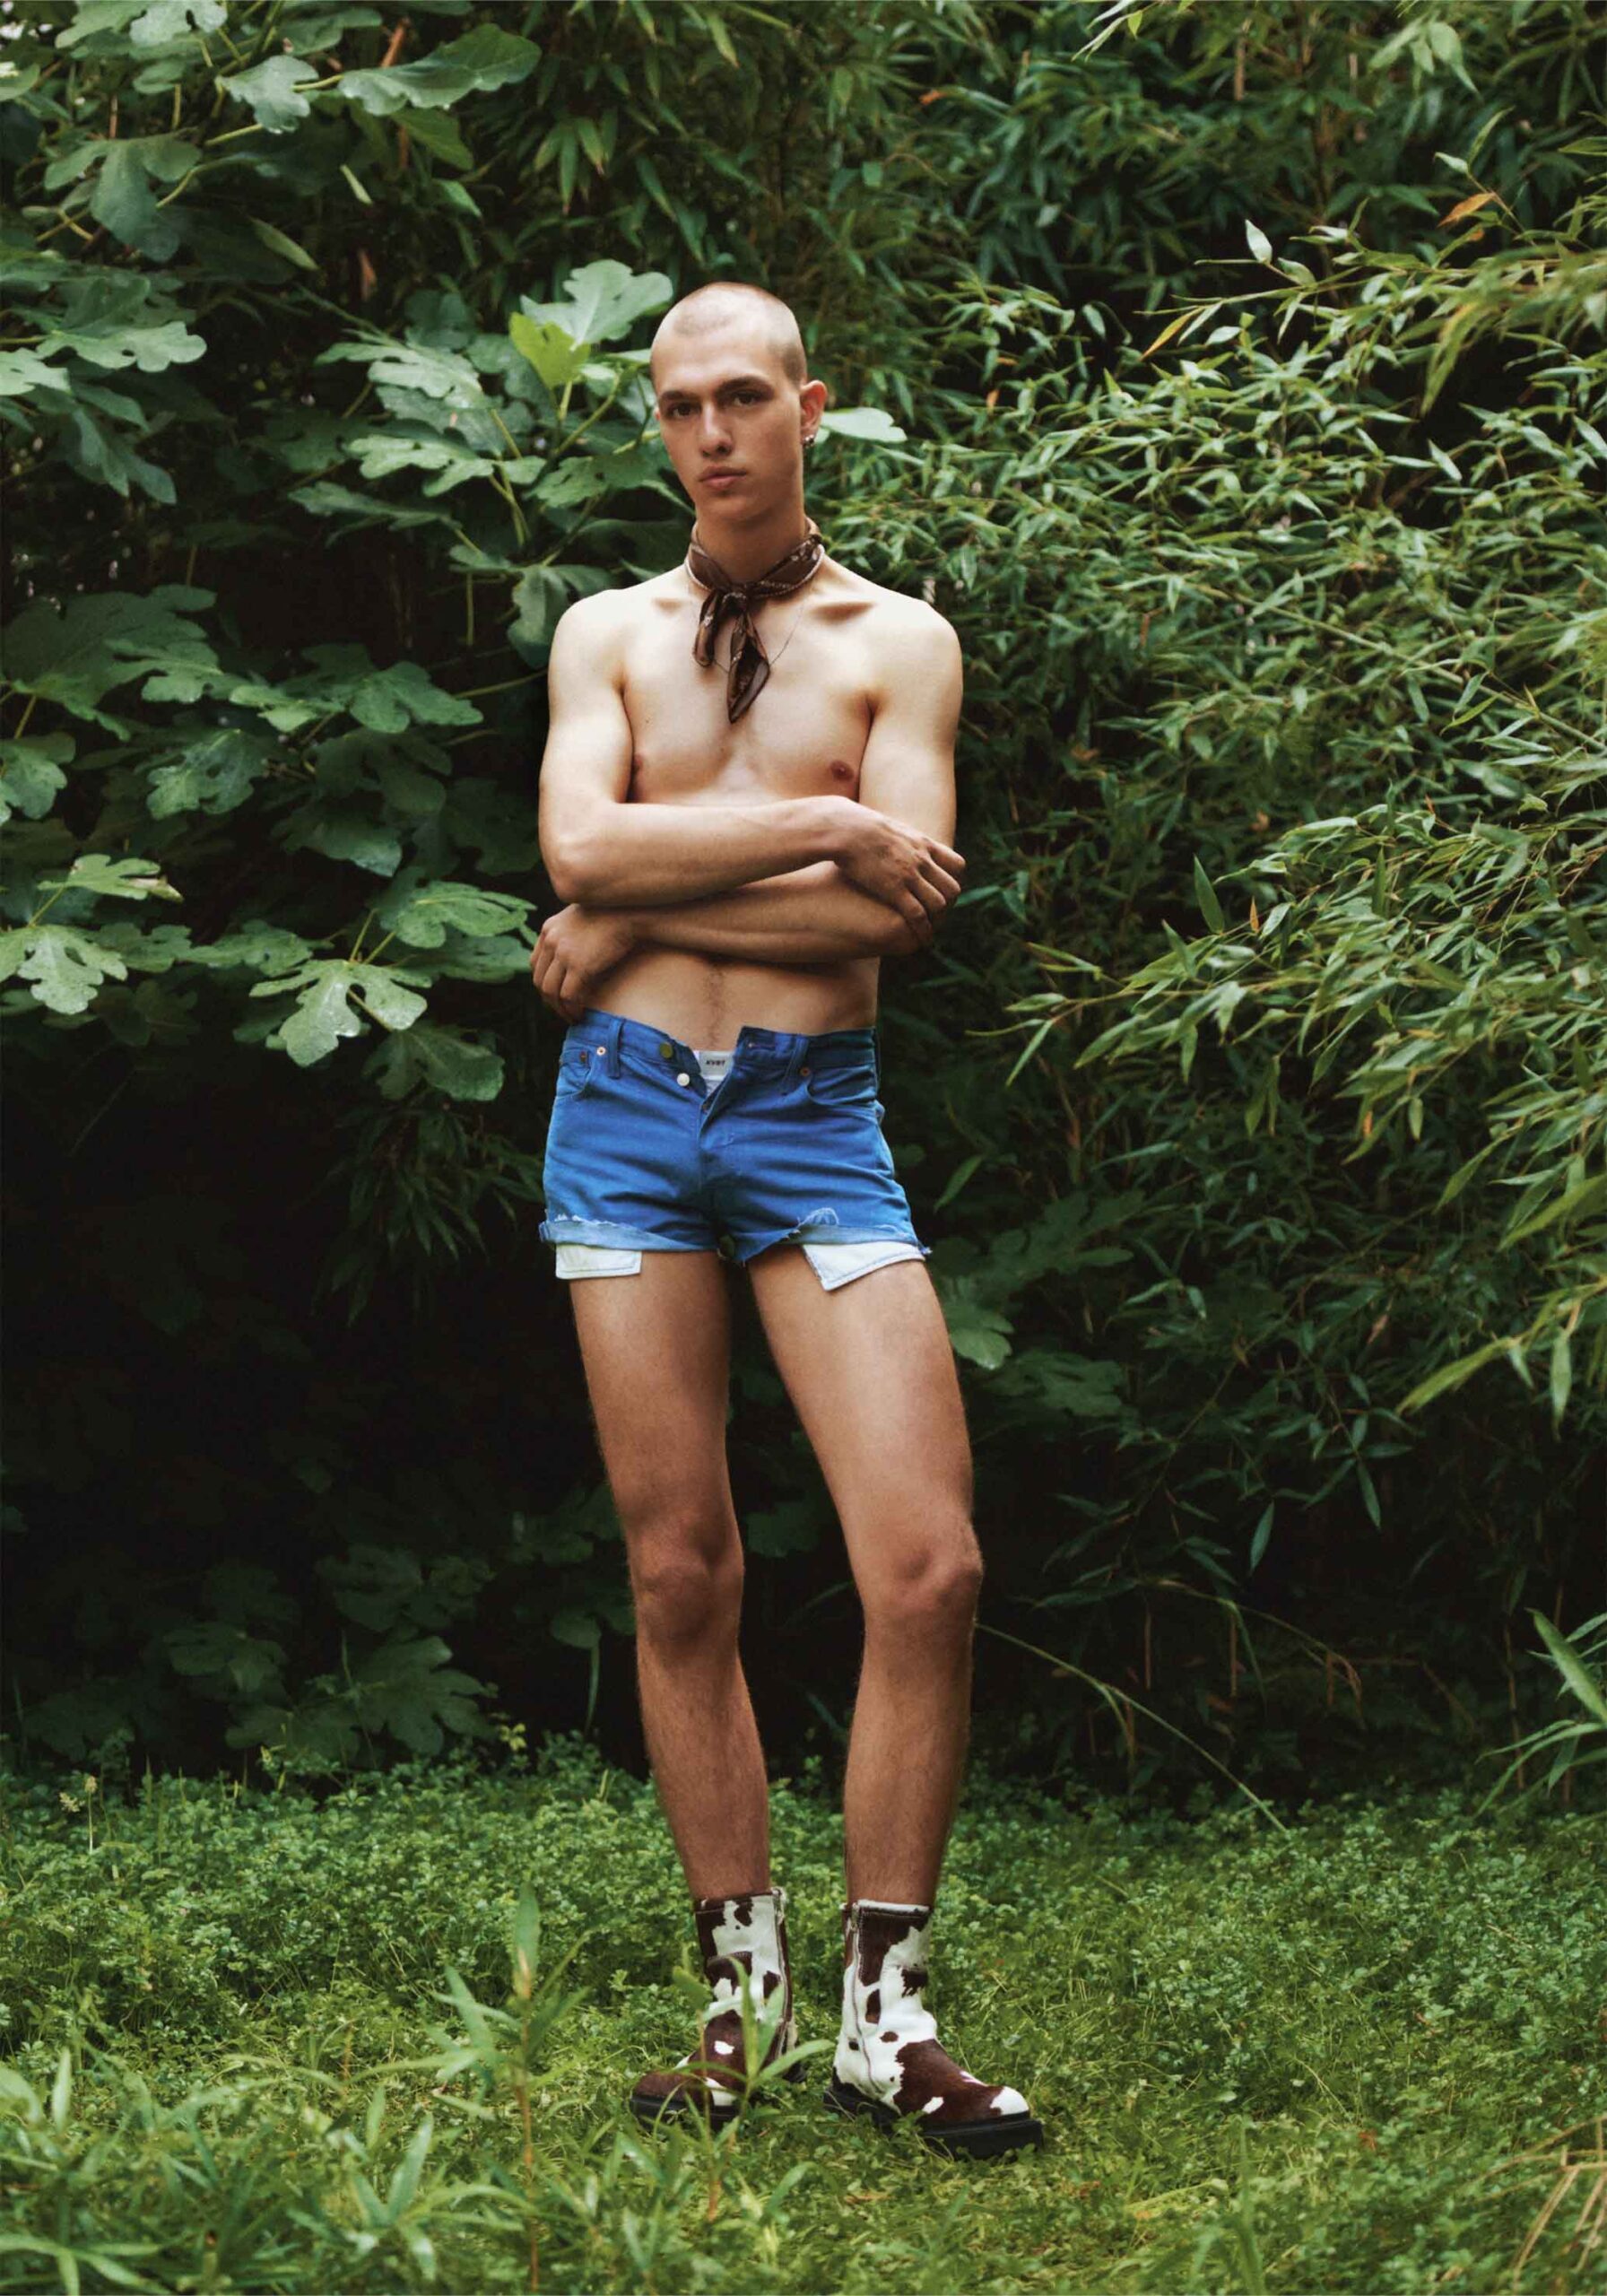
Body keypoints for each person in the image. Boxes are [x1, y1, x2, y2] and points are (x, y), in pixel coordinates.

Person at [529, 282, 1042, 2160]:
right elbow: (574, 848)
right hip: (624, 1123)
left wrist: (636, 907)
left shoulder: (899, 641)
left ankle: (883, 2021)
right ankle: (738, 2003)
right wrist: (823, 826)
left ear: (808, 406)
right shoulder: (604, 632)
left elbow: (892, 914)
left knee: (928, 1567)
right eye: (679, 406)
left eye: (742, 397)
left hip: (815, 1124)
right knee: (681, 1570)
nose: (709, 435)